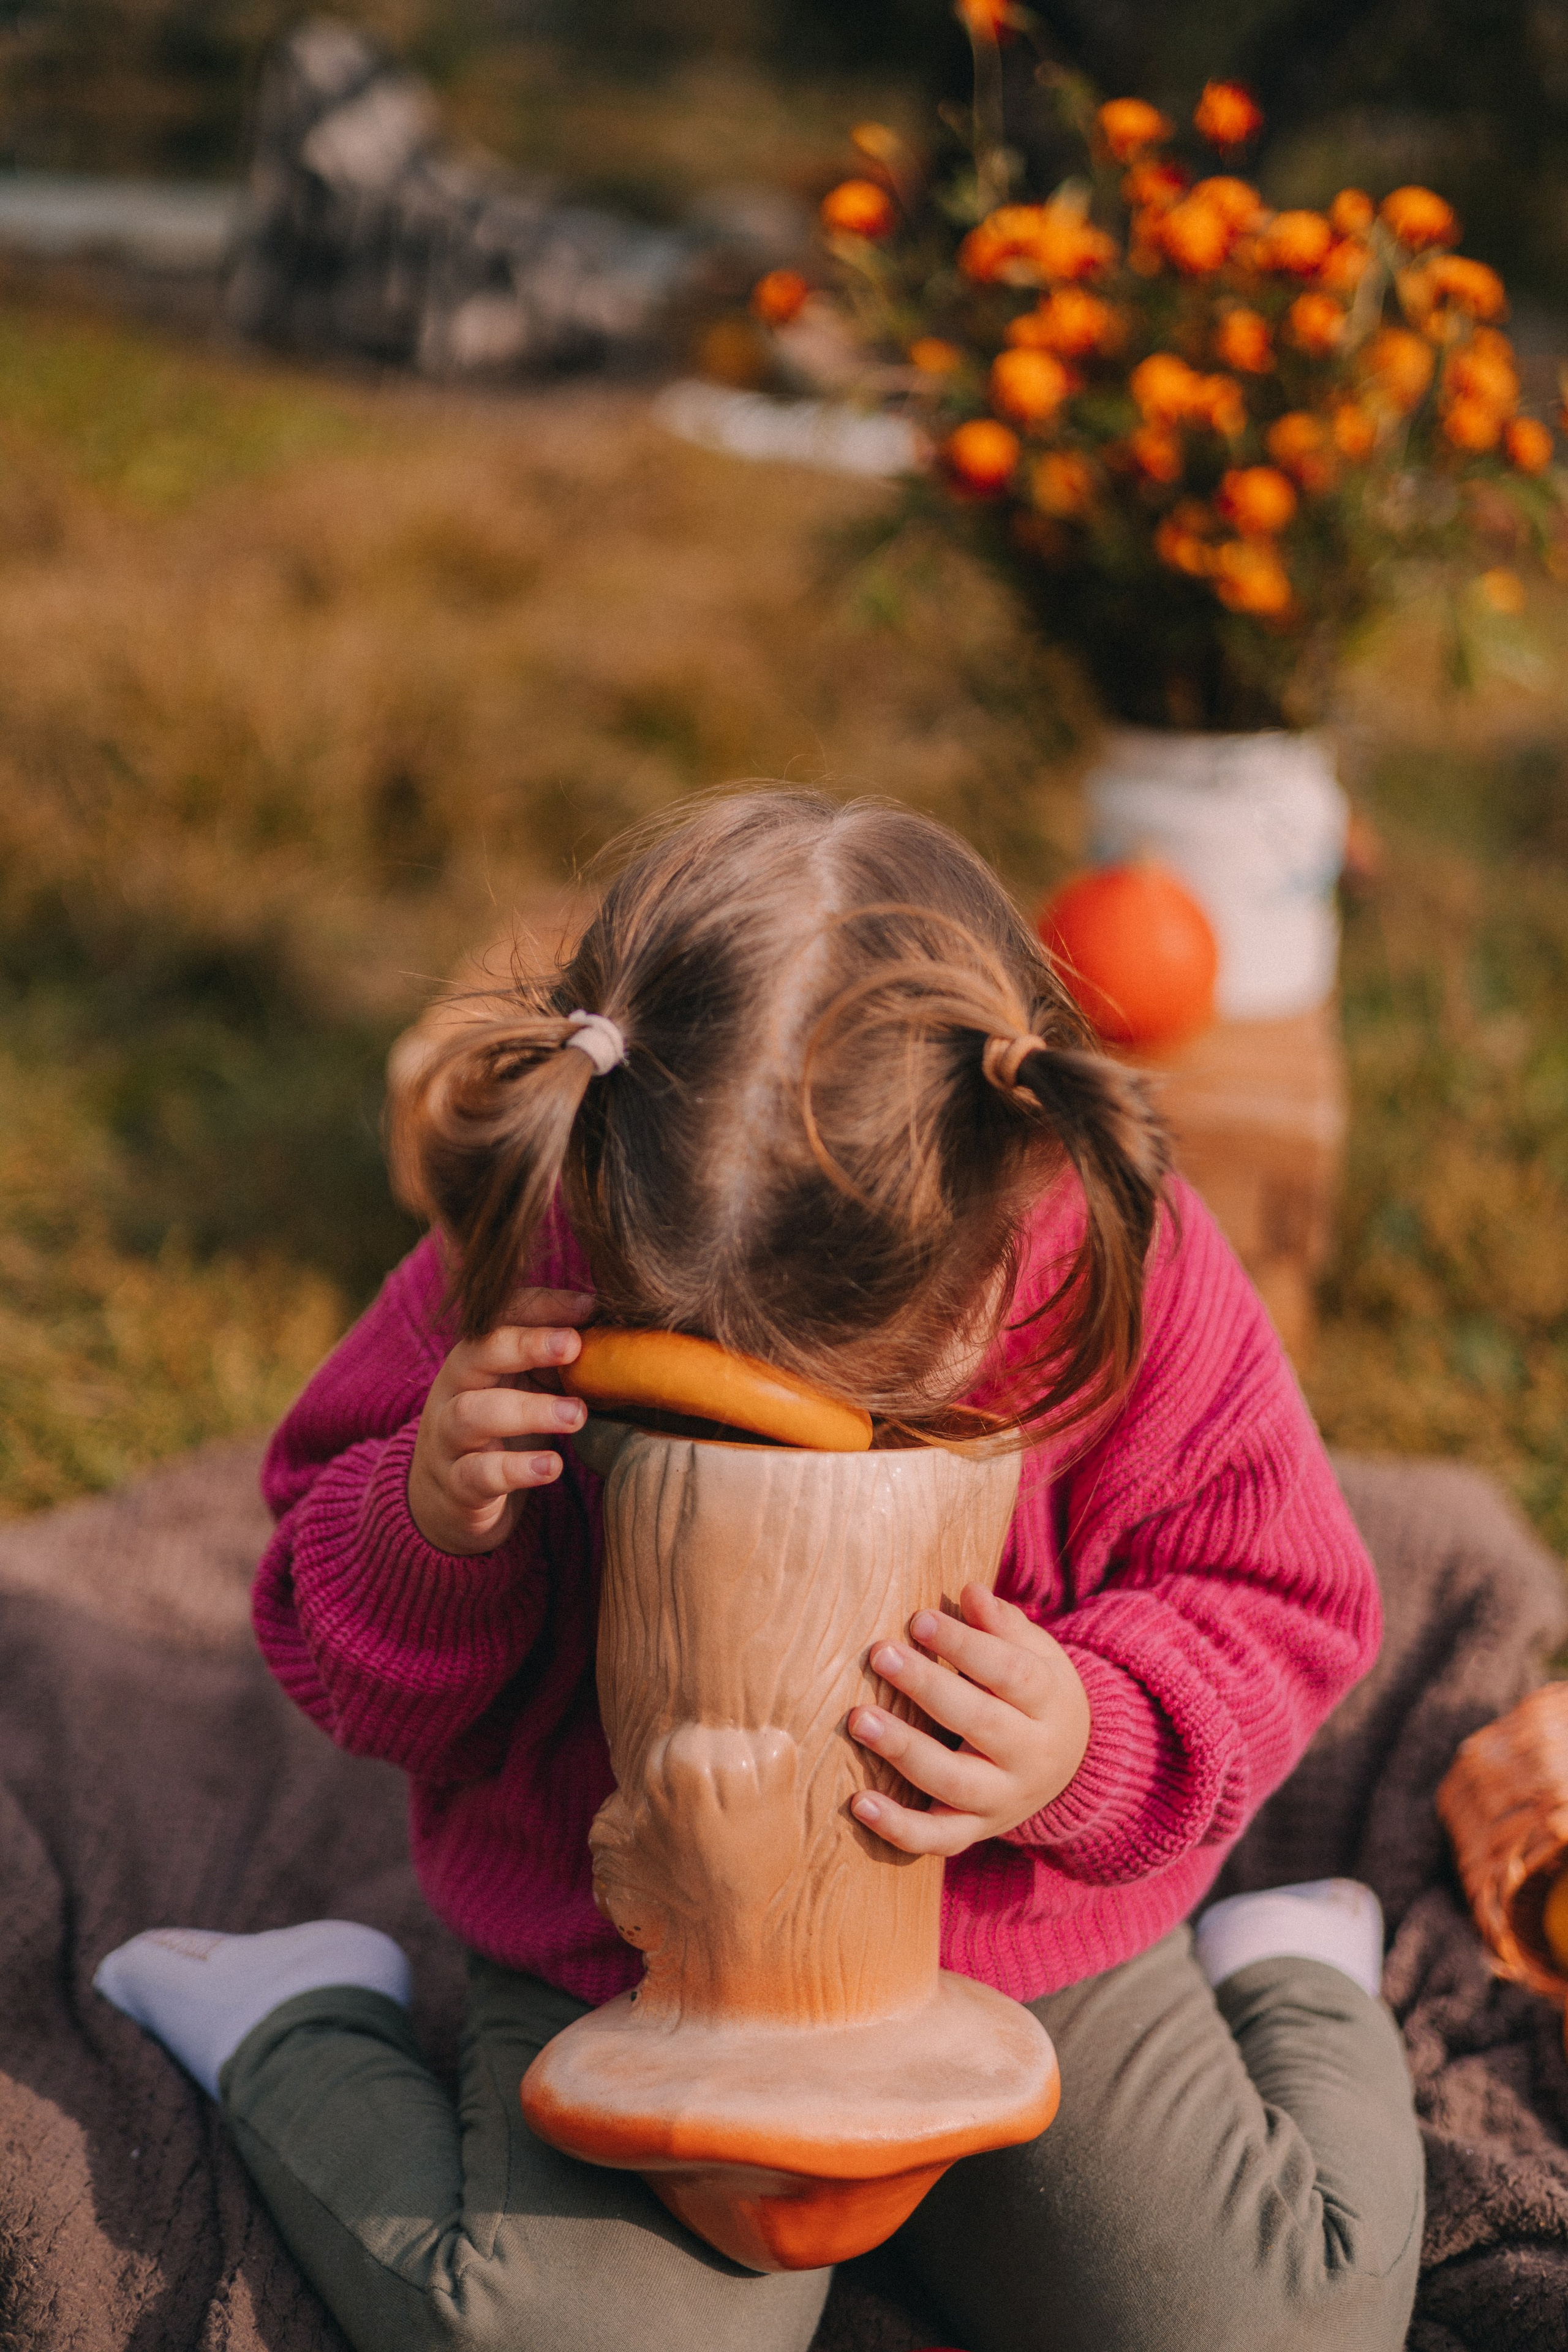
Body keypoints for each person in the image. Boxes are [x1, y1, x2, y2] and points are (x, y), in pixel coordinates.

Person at [94, 792, 1423, 2352]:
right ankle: (297, 2023)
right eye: (704, 1378)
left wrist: (1086, 1734)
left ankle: (1292, 1971)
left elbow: (1283, 1597)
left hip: (1027, 1940)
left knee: (1279, 2330)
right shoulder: (529, 1260)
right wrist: (426, 1518)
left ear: (1010, 1189)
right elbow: (330, 1646)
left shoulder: (1119, 1274)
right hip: (626, 1955)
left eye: (885, 1409)